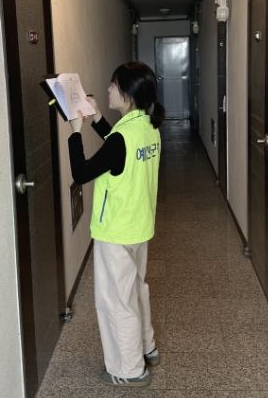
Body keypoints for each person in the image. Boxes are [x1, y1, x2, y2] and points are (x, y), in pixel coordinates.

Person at [68, 61, 165, 388]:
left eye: (112, 85)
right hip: (138, 227)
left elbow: (82, 173)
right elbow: (117, 150)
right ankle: (147, 347)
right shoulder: (148, 127)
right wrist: (97, 119)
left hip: (116, 231)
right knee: (136, 289)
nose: (107, 89)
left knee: (117, 301)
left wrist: (75, 132)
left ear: (127, 94)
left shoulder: (122, 137)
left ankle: (130, 369)